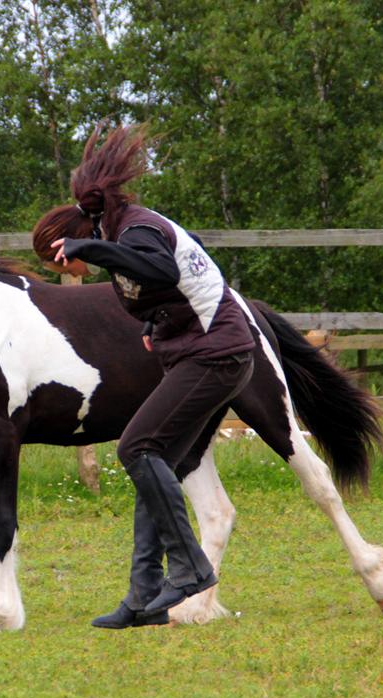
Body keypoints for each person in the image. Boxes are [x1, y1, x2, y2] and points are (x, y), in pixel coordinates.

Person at [32, 125, 257, 629]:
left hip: (217, 354)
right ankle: (143, 595)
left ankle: (189, 568)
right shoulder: (129, 232)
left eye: (66, 253)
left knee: (136, 448)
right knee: (157, 465)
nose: (70, 266)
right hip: (201, 351)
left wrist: (89, 250)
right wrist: (160, 325)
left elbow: (158, 267)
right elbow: (187, 267)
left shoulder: (133, 230)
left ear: (88, 222)